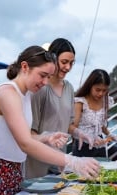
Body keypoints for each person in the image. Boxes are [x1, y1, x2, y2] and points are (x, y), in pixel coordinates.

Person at [0, 45, 100, 195]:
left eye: (48, 77)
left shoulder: (25, 95)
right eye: (43, 75)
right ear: (25, 67)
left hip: (13, 168)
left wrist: (45, 137)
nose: (45, 82)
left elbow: (21, 136)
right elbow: (25, 143)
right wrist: (72, 161)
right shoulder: (7, 93)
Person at [24, 38, 93, 179]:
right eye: (64, 62)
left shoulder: (69, 88)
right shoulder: (40, 89)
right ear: (52, 58)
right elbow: (30, 134)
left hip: (60, 161)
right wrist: (48, 137)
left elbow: (67, 125)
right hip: (38, 163)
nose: (68, 67)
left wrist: (79, 133)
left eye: (71, 63)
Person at [72, 69, 117, 157]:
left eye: (104, 90)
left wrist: (110, 135)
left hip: (100, 145)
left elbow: (101, 125)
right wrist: (87, 137)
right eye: (97, 90)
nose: (100, 93)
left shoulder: (106, 100)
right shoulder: (80, 102)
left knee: (103, 169)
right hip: (83, 147)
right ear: (90, 86)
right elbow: (73, 127)